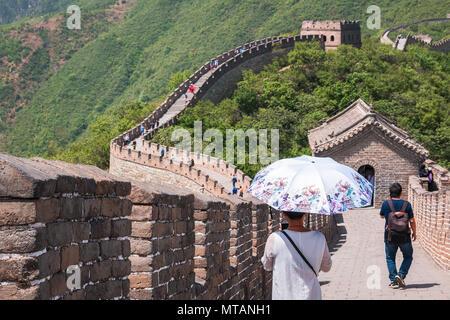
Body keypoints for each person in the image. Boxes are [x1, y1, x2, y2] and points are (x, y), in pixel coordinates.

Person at [261, 211, 332, 300]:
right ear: (305, 213)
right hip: (312, 295)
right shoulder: (319, 237)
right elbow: (326, 267)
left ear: (284, 214)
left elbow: (267, 266)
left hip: (283, 296)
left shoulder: (275, 238)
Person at [379, 183, 416, 289]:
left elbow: (381, 216)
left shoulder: (386, 204)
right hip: (404, 235)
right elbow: (412, 220)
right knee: (408, 256)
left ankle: (394, 280)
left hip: (390, 235)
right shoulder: (407, 204)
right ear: (401, 192)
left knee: (390, 257)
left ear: (390, 193)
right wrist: (415, 232)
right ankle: (401, 275)